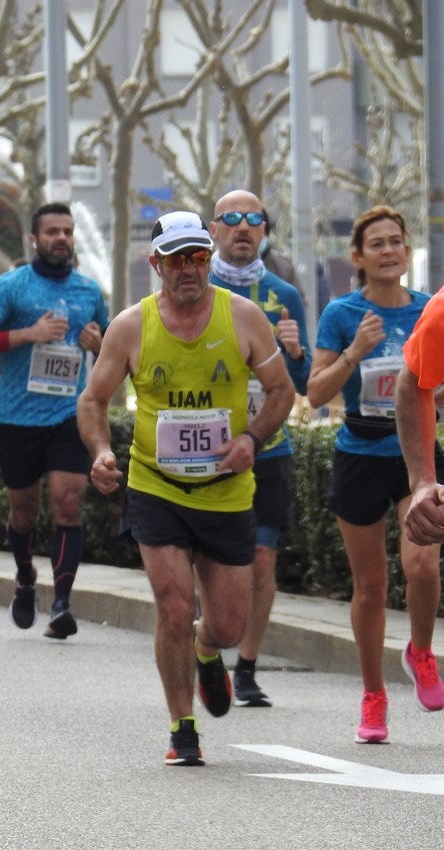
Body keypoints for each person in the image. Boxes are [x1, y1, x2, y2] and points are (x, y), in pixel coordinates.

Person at [78, 211, 293, 766]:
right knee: (173, 608)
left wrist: (251, 438)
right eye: (177, 259)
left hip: (225, 491)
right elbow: (93, 400)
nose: (190, 269)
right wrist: (102, 452)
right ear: (156, 265)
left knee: (226, 624)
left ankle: (206, 652)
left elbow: (281, 392)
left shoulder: (243, 318)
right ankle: (182, 728)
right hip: (157, 486)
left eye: (198, 256)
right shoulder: (132, 326)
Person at [306, 205, 444, 744]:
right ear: (357, 257)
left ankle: (421, 653)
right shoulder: (343, 314)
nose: (389, 251)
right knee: (371, 586)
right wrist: (356, 352)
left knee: (424, 567)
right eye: (377, 244)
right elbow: (315, 392)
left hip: (419, 459)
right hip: (360, 453)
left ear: (408, 251)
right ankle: (373, 695)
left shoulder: (428, 310)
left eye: (397, 242)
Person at [0, 201, 109, 640]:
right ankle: (26, 577)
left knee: (67, 502)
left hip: (70, 414)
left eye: (67, 231)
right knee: (22, 512)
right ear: (34, 240)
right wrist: (28, 334)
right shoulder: (11, 287)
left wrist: (98, 342)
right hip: (17, 417)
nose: (61, 238)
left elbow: (113, 353)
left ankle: (62, 603)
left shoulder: (88, 291)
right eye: (52, 232)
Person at [207, 192, 312, 708]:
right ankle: (210, 649)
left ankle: (246, 667)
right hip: (206, 449)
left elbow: (305, 381)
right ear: (214, 229)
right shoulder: (196, 286)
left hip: (268, 446)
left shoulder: (284, 294)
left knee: (262, 560)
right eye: (232, 219)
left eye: (254, 220)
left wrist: (295, 351)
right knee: (213, 561)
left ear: (265, 231)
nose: (244, 228)